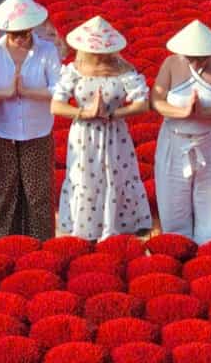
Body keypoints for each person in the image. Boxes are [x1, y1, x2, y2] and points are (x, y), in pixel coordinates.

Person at [51, 16, 151, 241]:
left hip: (114, 133)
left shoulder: (123, 68)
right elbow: (56, 106)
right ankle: (87, 230)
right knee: (84, 176)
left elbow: (142, 104)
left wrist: (114, 114)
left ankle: (114, 227)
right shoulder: (74, 70)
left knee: (115, 176)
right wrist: (85, 113)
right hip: (84, 134)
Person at [0, 0, 62, 240]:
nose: (21, 40)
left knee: (38, 193)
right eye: (15, 35)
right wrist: (5, 93)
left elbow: (59, 87)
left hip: (37, 130)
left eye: (25, 33)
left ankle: (42, 245)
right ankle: (8, 244)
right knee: (6, 190)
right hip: (2, 130)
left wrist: (29, 92)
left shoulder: (46, 51)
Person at [151, 20, 211, 244]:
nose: (197, 60)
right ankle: (176, 248)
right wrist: (182, 112)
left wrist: (205, 113)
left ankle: (207, 248)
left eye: (202, 56)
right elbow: (156, 100)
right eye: (192, 56)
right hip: (175, 141)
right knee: (173, 201)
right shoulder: (171, 64)